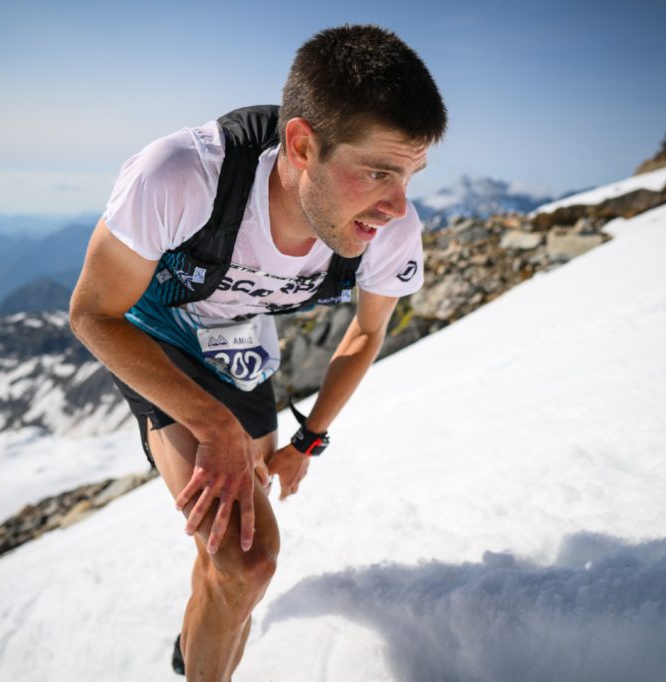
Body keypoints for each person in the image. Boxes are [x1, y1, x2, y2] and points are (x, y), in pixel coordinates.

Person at [69, 24, 446, 680]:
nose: (396, 205)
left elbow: (365, 335)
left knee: (226, 572)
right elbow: (92, 313)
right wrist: (213, 425)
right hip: (154, 332)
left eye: (411, 174)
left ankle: (197, 647)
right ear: (302, 145)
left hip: (241, 346)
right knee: (249, 558)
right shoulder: (183, 175)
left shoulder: (387, 227)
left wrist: (308, 442)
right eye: (379, 172)